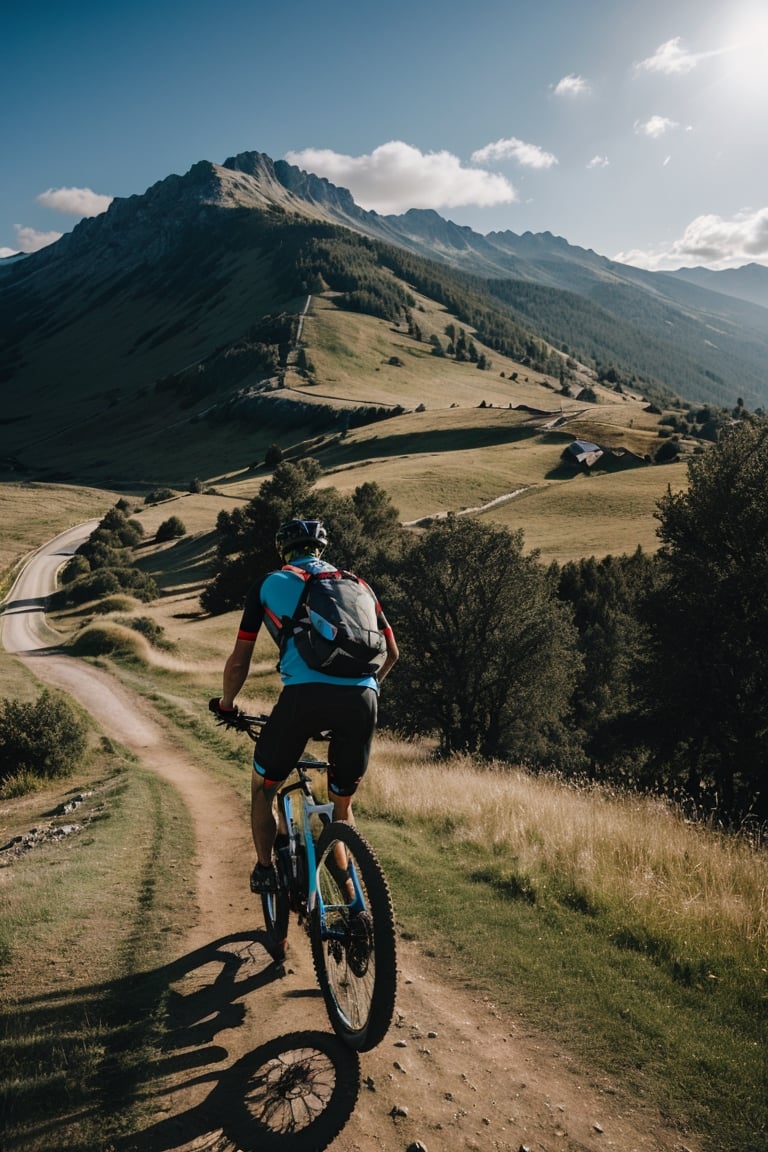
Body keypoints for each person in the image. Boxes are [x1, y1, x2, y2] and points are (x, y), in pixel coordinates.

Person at [210, 517, 399, 895]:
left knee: (263, 788)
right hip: (363, 698)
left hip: (303, 698)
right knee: (341, 808)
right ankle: (356, 903)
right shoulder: (360, 585)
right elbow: (392, 653)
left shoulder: (269, 583)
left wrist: (227, 704)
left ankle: (265, 869)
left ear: (285, 551)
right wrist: (363, 689)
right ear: (320, 550)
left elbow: (239, 660)